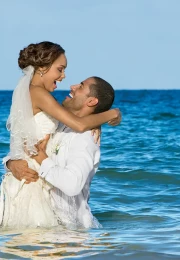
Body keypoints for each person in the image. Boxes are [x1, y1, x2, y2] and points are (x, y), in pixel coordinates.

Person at [0, 41, 121, 228]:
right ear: (43, 67)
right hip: (31, 179)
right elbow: (79, 124)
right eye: (60, 69)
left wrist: (96, 121)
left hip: (35, 181)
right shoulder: (39, 93)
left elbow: (76, 125)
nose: (64, 78)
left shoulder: (33, 94)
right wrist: (112, 114)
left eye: (80, 86)